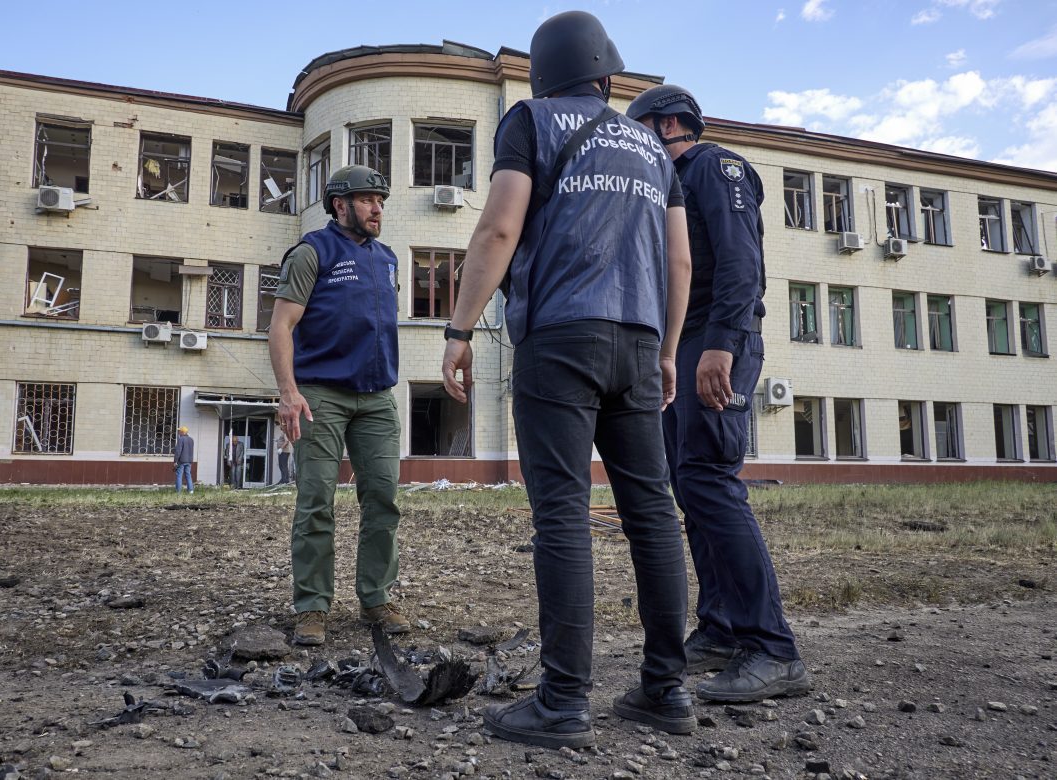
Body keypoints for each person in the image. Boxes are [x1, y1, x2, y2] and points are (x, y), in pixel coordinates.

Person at [440, 11, 694, 749]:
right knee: (651, 512)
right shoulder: (653, 145)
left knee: (562, 515)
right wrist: (669, 349)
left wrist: (459, 330)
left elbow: (497, 229)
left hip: (560, 339)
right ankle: (667, 690)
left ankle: (562, 702)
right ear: (606, 76)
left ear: (545, 73)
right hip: (640, 343)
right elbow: (679, 262)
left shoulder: (531, 121)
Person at [626, 85, 811, 702]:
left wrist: (721, 345)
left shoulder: (713, 166)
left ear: (672, 123)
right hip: (684, 341)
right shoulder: (668, 188)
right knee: (689, 484)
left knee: (709, 479)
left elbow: (740, 262)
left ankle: (773, 649)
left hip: (716, 339)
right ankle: (723, 629)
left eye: (643, 129)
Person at [267, 164, 409, 647]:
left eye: (381, 201)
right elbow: (281, 327)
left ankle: (376, 599)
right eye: (369, 199)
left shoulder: (388, 258)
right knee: (315, 503)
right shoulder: (312, 252)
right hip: (320, 395)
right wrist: (289, 393)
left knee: (384, 499)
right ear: (340, 204)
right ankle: (311, 605)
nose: (377, 209)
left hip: (377, 398)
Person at [174, 425, 194, 494]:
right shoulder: (191, 439)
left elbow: (178, 451)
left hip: (182, 461)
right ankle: (191, 490)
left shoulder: (181, 439)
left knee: (179, 475)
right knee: (188, 475)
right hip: (189, 461)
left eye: (179, 431)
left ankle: (178, 491)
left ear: (183, 432)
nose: (179, 432)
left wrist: (175, 461)